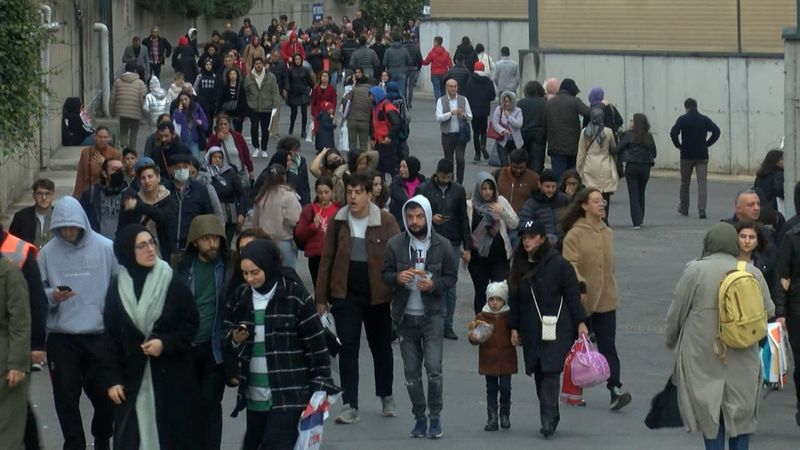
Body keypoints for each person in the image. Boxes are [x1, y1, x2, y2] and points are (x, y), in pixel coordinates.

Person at [667, 222, 774, 449]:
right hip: (743, 352)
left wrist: (671, 339)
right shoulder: (752, 273)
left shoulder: (695, 270)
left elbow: (676, 311)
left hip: (704, 354)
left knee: (710, 414)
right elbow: (769, 310)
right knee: (741, 417)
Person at [227, 239, 339, 449]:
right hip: (254, 394)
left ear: (268, 266)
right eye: (245, 273)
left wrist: (321, 385)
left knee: (276, 445)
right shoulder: (241, 297)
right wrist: (234, 339)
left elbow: (316, 343)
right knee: (252, 444)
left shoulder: (294, 296)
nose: (250, 278)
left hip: (290, 393)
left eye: (255, 272)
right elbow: (226, 332)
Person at [102, 224, 200, 450]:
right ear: (127, 251)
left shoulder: (171, 282)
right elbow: (110, 339)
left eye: (151, 243)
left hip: (171, 383)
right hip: (132, 384)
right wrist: (112, 380)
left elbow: (191, 324)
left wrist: (164, 343)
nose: (150, 249)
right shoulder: (117, 288)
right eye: (141, 245)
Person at [315, 173, 401, 424]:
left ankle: (386, 395)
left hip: (378, 295)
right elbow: (326, 260)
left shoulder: (385, 220)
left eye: (358, 192)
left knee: (381, 347)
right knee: (348, 348)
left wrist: (398, 295)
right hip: (345, 294)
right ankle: (350, 404)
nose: (352, 197)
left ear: (369, 194)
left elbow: (398, 255)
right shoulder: (339, 221)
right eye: (349, 192)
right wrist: (321, 299)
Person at [39, 196, 117, 450]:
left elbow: (121, 283)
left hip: (99, 333)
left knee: (107, 396)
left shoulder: (106, 248)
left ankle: (102, 435)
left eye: (73, 226)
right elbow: (38, 291)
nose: (68, 232)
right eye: (63, 227)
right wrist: (53, 295)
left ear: (83, 223)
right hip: (63, 336)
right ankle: (74, 444)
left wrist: (113, 309)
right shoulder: (47, 253)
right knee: (65, 397)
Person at [383, 195, 457, 439]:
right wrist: (398, 278)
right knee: (411, 373)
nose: (414, 221)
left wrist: (433, 285)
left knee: (434, 369)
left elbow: (451, 278)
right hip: (405, 318)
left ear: (427, 216)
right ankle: (419, 417)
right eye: (410, 217)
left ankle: (435, 416)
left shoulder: (442, 245)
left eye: (418, 216)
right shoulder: (395, 244)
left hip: (432, 316)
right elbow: (385, 274)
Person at [508, 220, 588, 438]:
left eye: (532, 237)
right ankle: (550, 411)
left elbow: (572, 296)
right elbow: (513, 296)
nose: (527, 241)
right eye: (524, 237)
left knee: (551, 370)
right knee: (538, 371)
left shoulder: (560, 265)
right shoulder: (518, 264)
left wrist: (581, 322)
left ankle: (548, 417)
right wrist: (513, 326)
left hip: (557, 325)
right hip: (530, 326)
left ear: (543, 238)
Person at [560, 188, 631, 409]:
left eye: (603, 201)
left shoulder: (607, 232)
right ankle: (573, 391)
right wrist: (580, 283)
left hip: (607, 299)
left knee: (608, 345)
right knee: (576, 347)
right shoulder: (574, 234)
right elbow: (569, 263)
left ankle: (615, 389)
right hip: (582, 300)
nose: (602, 205)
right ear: (584, 205)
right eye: (597, 201)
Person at [174, 215, 230, 450]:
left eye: (216, 239)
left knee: (210, 403)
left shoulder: (228, 266)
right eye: (206, 239)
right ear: (195, 242)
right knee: (188, 406)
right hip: (187, 348)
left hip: (214, 348)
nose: (213, 244)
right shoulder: (182, 267)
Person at [0, 224, 47, 449]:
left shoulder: (17, 256)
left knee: (14, 415)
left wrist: (36, 345)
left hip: (11, 352)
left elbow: (34, 305)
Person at [415, 159, 471, 340]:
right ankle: (428, 320)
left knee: (450, 284)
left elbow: (463, 219)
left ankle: (448, 324)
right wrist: (430, 219)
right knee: (427, 280)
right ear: (436, 173)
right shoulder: (424, 189)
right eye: (442, 177)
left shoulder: (458, 191)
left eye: (448, 177)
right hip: (429, 240)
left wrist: (467, 247)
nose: (445, 180)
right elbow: (415, 213)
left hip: (453, 241)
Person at [467, 172, 519, 314]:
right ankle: (480, 326)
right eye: (484, 188)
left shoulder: (501, 201)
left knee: (500, 292)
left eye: (490, 188)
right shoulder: (470, 206)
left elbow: (514, 223)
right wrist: (464, 251)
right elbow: (464, 231)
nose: (487, 192)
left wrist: (501, 211)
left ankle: (500, 326)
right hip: (478, 260)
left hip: (500, 259)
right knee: (481, 292)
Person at [468, 281, 517, 432]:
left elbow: (517, 333)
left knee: (505, 388)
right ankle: (492, 417)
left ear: (504, 300)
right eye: (491, 299)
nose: (494, 303)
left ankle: (505, 413)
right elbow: (474, 335)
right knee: (491, 389)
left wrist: (517, 337)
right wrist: (473, 337)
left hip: (506, 359)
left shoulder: (509, 316)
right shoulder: (482, 316)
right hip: (488, 360)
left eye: (498, 299)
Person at [670, 98, 721, 219]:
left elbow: (673, 133)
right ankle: (702, 209)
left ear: (686, 107)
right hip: (702, 154)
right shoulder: (704, 119)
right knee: (702, 182)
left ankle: (684, 208)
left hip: (686, 155)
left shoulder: (683, 119)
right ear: (696, 106)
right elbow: (717, 131)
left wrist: (679, 145)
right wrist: (707, 143)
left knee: (685, 182)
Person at [0, 252, 31, 450]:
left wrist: (18, 364)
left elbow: (20, 322)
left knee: (7, 435)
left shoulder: (9, 272)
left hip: (6, 365)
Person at [119, 162, 177, 260]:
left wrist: (140, 206)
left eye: (150, 177)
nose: (147, 181)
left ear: (158, 178)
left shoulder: (169, 199)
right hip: (138, 253)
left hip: (162, 253)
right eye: (143, 178)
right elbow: (123, 227)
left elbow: (165, 217)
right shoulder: (134, 199)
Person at [253, 164, 302, 269]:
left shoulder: (262, 196)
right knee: (286, 273)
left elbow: (255, 221)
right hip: (284, 241)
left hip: (264, 241)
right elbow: (295, 220)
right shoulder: (289, 196)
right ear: (284, 177)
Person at [613, 113, 657, 229]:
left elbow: (617, 149)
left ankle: (636, 221)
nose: (631, 122)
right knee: (641, 192)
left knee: (633, 194)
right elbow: (654, 153)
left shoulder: (628, 135)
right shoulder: (649, 136)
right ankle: (640, 217)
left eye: (632, 120)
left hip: (631, 166)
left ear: (635, 123)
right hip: (645, 167)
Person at [295, 177, 340, 288]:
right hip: (316, 256)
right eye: (320, 193)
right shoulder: (310, 209)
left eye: (326, 192)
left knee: (332, 286)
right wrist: (313, 226)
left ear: (331, 192)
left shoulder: (337, 210)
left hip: (332, 255)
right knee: (319, 286)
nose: (323, 196)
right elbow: (300, 234)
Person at [166, 153, 216, 251]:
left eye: (185, 167)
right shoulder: (164, 190)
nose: (182, 170)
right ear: (171, 170)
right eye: (178, 168)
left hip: (192, 245)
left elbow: (208, 216)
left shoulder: (200, 190)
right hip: (167, 245)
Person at [577, 107, 618, 222]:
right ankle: (605, 218)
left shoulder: (585, 132)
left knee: (590, 194)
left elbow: (581, 152)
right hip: (605, 162)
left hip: (590, 163)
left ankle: (592, 218)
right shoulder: (608, 131)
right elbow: (613, 147)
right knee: (605, 194)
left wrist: (579, 169)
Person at [545, 79, 590, 180]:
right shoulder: (575, 101)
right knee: (572, 178)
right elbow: (588, 112)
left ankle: (560, 194)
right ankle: (571, 195)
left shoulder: (548, 103)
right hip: (573, 147)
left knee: (559, 178)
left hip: (555, 147)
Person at [205, 146, 247, 243]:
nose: (217, 160)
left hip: (229, 216)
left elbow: (241, 194)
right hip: (212, 215)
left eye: (220, 157)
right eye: (215, 157)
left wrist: (241, 213)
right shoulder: (204, 175)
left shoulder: (229, 173)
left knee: (226, 243)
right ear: (209, 158)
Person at [436, 79, 473, 184]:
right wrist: (451, 113)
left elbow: (470, 116)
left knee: (460, 159)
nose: (453, 88)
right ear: (447, 88)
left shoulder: (463, 99)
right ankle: (450, 182)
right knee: (448, 161)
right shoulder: (441, 100)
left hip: (460, 135)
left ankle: (460, 182)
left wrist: (464, 115)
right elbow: (438, 117)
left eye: (455, 86)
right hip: (447, 134)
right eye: (451, 86)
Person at [518, 169, 569, 245]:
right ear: (539, 184)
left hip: (564, 242)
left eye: (553, 187)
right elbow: (524, 225)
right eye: (547, 186)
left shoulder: (564, 200)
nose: (551, 190)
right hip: (541, 244)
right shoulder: (531, 204)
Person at [80, 158, 126, 240]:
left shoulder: (130, 193)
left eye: (121, 169)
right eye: (114, 169)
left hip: (122, 245)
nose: (119, 173)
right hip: (97, 244)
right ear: (105, 173)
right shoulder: (91, 193)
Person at [244, 57, 281, 158]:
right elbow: (246, 92)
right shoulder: (248, 78)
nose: (258, 65)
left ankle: (264, 148)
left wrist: (276, 106)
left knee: (265, 130)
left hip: (267, 107)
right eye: (256, 64)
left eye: (260, 63)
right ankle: (256, 147)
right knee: (254, 128)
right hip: (254, 107)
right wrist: (247, 105)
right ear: (254, 65)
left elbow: (275, 92)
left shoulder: (270, 77)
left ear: (263, 65)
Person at [205, 113, 255, 187]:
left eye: (225, 124)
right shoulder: (213, 139)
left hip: (240, 173)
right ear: (217, 126)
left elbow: (246, 154)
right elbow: (210, 154)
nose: (223, 126)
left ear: (229, 125)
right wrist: (218, 140)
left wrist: (250, 170)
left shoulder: (238, 137)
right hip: (223, 175)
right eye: (221, 124)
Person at [260, 136, 311, 205]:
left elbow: (305, 186)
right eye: (293, 150)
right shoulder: (274, 168)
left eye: (296, 150)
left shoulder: (301, 163)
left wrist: (307, 203)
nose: (295, 153)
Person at [72, 127, 121, 198]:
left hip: (107, 195)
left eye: (105, 137)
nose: (102, 140)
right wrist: (76, 196)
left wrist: (105, 163)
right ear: (95, 137)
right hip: (89, 194)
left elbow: (117, 178)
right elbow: (80, 176)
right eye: (100, 137)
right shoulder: (86, 153)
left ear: (109, 138)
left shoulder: (115, 154)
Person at [110, 61, 147, 152]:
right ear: (135, 70)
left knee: (123, 131)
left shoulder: (118, 82)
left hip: (121, 112)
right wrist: (144, 114)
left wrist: (112, 112)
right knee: (134, 133)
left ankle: (124, 150)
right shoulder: (140, 83)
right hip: (136, 112)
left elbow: (112, 98)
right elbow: (142, 100)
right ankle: (131, 153)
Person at [9, 178, 56, 249]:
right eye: (40, 194)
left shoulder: (60, 216)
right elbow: (12, 243)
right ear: (33, 195)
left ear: (53, 195)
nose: (44, 198)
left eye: (48, 194)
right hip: (29, 258)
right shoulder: (21, 217)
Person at [465, 61, 496, 162]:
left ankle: (477, 153)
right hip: (484, 110)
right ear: (483, 69)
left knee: (475, 132)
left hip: (473, 110)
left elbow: (467, 95)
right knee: (483, 131)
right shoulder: (489, 81)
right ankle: (483, 145)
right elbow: (492, 96)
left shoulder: (470, 80)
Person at [369, 86, 403, 177]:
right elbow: (373, 124)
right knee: (379, 169)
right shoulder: (375, 107)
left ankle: (396, 187)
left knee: (393, 169)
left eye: (371, 95)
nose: (369, 97)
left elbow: (396, 124)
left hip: (389, 144)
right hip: (379, 143)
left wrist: (389, 136)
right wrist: (372, 138)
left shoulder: (387, 106)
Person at [493, 148, 540, 213]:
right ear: (510, 164)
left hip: (523, 219)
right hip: (500, 218)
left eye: (522, 167)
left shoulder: (534, 178)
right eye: (515, 167)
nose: (518, 170)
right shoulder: (497, 175)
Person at [517, 81, 547, 172]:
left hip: (523, 133)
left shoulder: (520, 103)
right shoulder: (544, 103)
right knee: (537, 158)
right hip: (539, 133)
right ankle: (536, 177)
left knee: (524, 157)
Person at [341, 70, 373, 152]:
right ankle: (363, 162)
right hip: (365, 121)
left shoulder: (355, 90)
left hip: (352, 120)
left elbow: (344, 100)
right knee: (363, 144)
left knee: (352, 144)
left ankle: (352, 161)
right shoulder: (371, 92)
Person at [389, 157, 425, 225]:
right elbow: (402, 200)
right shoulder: (396, 183)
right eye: (400, 167)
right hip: (401, 221)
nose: (401, 169)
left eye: (404, 167)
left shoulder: (422, 181)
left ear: (412, 168)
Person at [491, 91, 524, 167]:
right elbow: (494, 123)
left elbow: (519, 124)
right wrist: (502, 130)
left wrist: (509, 117)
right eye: (506, 101)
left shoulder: (518, 111)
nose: (507, 104)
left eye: (509, 101)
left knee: (515, 164)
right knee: (504, 164)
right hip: (502, 141)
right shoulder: (499, 109)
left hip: (515, 142)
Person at [171, 92, 209, 158]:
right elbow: (177, 121)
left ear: (190, 99)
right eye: (182, 100)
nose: (184, 101)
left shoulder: (197, 108)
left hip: (194, 140)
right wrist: (179, 111)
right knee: (185, 160)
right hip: (182, 140)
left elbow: (205, 123)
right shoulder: (177, 111)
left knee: (194, 160)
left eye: (186, 99)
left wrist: (201, 123)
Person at [287, 54, 314, 138]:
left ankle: (303, 130)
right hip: (293, 93)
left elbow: (310, 82)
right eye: (296, 59)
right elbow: (288, 81)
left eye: (299, 59)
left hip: (303, 93)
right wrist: (287, 90)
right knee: (293, 113)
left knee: (304, 113)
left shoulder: (305, 70)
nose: (298, 61)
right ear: (294, 60)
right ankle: (291, 126)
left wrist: (314, 90)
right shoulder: (290, 70)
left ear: (301, 60)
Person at [217, 68, 248, 132]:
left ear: (237, 76)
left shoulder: (241, 87)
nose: (233, 75)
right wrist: (218, 111)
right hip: (227, 113)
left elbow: (243, 101)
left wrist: (244, 114)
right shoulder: (225, 87)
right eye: (231, 74)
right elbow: (221, 99)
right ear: (228, 76)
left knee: (237, 133)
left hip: (238, 114)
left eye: (234, 74)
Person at [421, 36, 452, 100]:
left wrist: (419, 60)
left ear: (436, 42)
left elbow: (426, 62)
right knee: (443, 90)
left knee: (436, 89)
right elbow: (450, 65)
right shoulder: (446, 53)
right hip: (444, 73)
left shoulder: (432, 53)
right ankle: (443, 104)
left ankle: (439, 103)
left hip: (435, 74)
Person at [311, 72, 337, 139]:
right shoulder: (316, 88)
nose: (324, 78)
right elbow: (313, 102)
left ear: (329, 78)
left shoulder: (332, 89)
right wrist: (313, 114)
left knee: (327, 129)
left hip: (328, 112)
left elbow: (334, 102)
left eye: (326, 76)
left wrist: (332, 112)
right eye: (323, 76)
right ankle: (319, 145)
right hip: (318, 112)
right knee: (318, 129)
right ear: (320, 77)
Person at [194, 58, 221, 125]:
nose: (208, 66)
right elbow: (195, 88)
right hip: (202, 101)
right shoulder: (200, 76)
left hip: (212, 102)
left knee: (210, 120)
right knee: (203, 118)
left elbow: (217, 89)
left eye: (210, 64)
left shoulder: (214, 76)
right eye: (207, 64)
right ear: (204, 66)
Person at [402, 31, 422, 109]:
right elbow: (420, 58)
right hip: (413, 67)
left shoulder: (402, 47)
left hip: (404, 67)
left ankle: (405, 102)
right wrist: (418, 68)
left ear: (404, 38)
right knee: (411, 87)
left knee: (404, 86)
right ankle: (409, 103)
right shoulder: (415, 46)